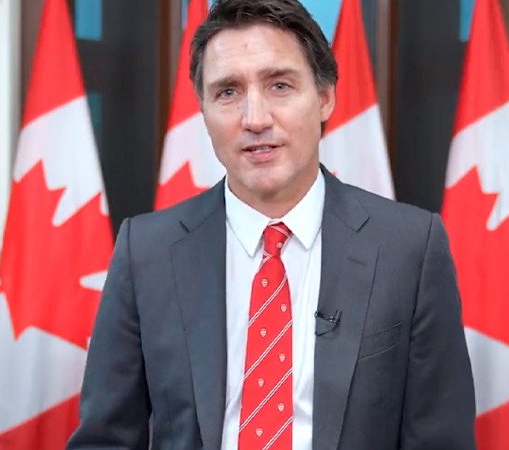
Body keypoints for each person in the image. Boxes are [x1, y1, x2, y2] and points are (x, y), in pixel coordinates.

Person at [67, 0, 475, 448]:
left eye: (279, 85)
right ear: (203, 110)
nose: (255, 119)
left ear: (324, 97)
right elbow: (105, 438)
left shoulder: (409, 249)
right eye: (227, 92)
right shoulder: (145, 252)